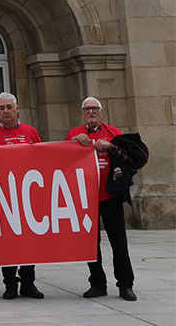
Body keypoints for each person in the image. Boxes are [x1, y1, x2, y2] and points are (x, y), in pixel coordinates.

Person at [68, 96, 136, 302]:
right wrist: (73, 143)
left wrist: (111, 147)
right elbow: (62, 158)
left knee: (119, 243)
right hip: (86, 198)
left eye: (94, 108)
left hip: (111, 196)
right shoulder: (74, 133)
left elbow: (131, 158)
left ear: (101, 112)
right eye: (87, 109)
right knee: (90, 244)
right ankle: (97, 283)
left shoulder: (114, 132)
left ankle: (125, 285)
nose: (91, 112)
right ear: (82, 113)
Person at [0, 92, 44, 300]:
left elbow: (44, 160)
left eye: (10, 107)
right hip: (3, 198)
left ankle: (28, 283)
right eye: (2, 108)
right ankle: (10, 284)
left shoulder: (31, 132)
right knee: (7, 244)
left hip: (27, 197)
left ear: (17, 109)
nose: (6, 111)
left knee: (28, 242)